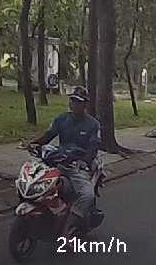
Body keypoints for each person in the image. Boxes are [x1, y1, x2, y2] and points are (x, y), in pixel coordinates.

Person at [29, 86, 101, 236]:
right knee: (34, 181)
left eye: (78, 101)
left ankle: (67, 228)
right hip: (58, 160)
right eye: (72, 100)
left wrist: (84, 161)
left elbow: (93, 147)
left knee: (87, 195)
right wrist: (34, 144)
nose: (74, 104)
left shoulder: (93, 124)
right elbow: (48, 135)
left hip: (77, 165)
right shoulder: (61, 119)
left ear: (85, 104)